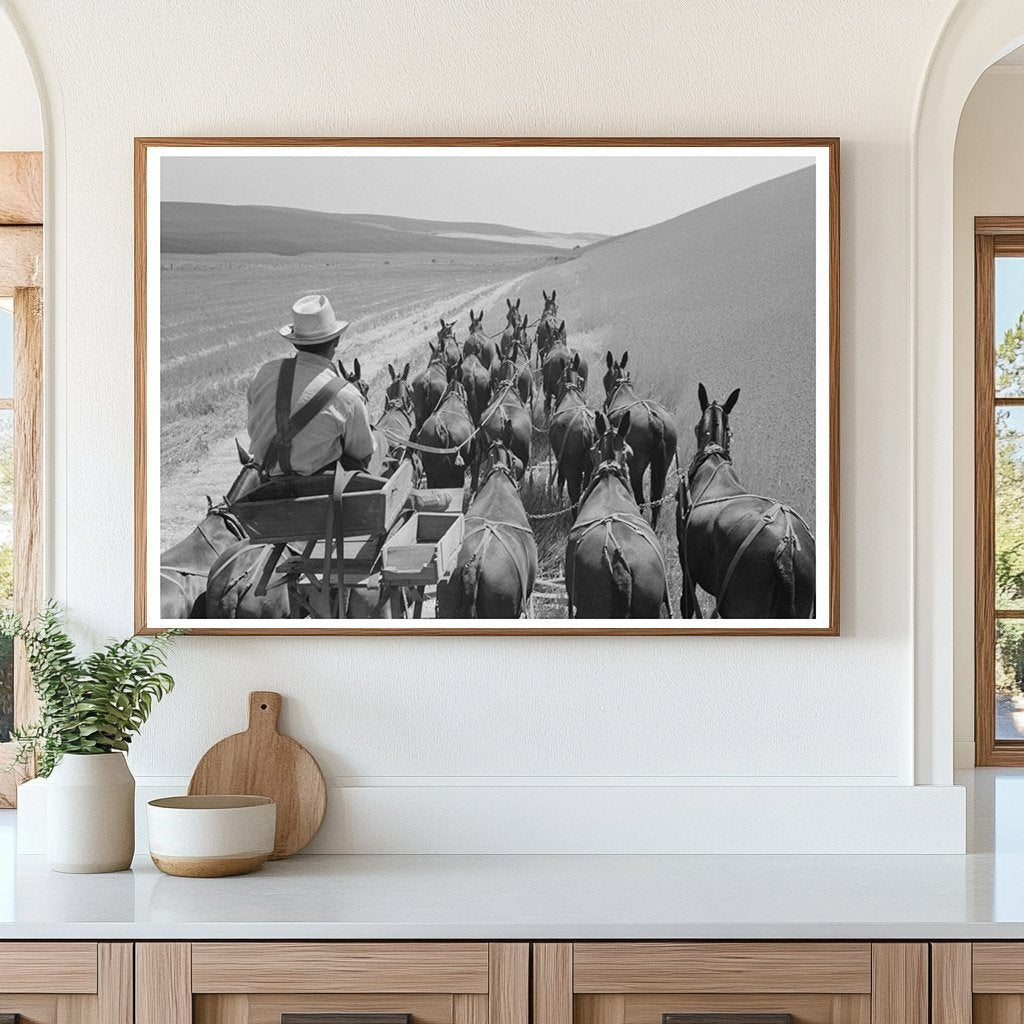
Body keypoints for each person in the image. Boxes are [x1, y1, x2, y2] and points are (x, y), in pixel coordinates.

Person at [247, 294, 375, 476]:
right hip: (321, 485)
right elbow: (362, 453)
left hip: (265, 477)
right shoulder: (347, 396)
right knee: (379, 444)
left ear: (295, 343)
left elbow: (253, 428)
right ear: (337, 340)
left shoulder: (264, 374)